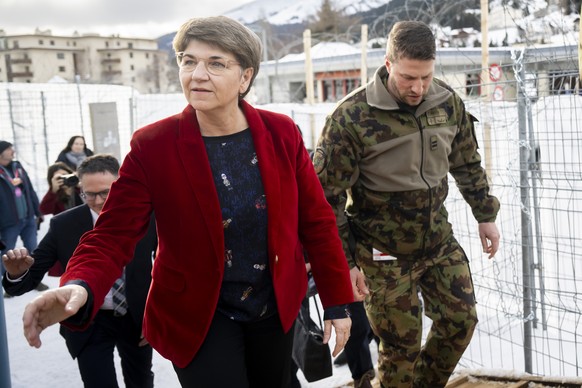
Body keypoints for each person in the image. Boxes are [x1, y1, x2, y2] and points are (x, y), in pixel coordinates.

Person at [21, 16, 360, 388]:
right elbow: (111, 235)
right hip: (198, 313)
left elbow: (316, 220)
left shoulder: (281, 133)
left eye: (216, 63)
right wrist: (80, 284)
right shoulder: (154, 145)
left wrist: (336, 300)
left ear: (245, 77)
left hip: (273, 307)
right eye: (188, 60)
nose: (197, 74)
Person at [313, 20, 501, 388]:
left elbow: (466, 162)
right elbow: (327, 199)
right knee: (401, 346)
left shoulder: (447, 104)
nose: (417, 88)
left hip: (438, 243)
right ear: (388, 63)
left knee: (461, 322)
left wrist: (485, 215)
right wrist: (347, 262)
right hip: (383, 253)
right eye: (407, 77)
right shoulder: (350, 118)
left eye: (425, 77)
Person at [3, 154, 157, 388]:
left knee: (141, 381)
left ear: (121, 185)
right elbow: (28, 277)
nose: (98, 201)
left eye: (106, 192)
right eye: (89, 194)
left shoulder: (147, 218)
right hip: (88, 322)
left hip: (137, 318)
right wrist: (16, 273)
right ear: (80, 190)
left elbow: (170, 268)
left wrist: (156, 315)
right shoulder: (63, 225)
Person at [0, 140, 47, 292]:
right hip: (8, 222)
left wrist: (37, 211)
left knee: (33, 250)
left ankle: (34, 280)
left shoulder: (17, 167)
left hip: (28, 218)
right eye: (9, 149)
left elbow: (30, 190)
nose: (12, 151)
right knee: (7, 253)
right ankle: (9, 283)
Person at [39, 162, 84, 276]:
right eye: (59, 177)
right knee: (70, 270)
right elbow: (44, 209)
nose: (64, 179)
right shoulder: (55, 194)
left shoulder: (79, 188)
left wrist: (82, 184)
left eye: (65, 175)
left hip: (85, 230)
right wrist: (53, 190)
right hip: (66, 236)